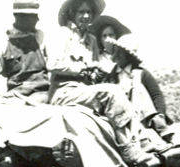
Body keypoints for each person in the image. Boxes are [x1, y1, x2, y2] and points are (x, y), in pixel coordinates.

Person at [46, 0, 146, 155]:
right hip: (63, 93)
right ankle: (128, 149)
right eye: (81, 12)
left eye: (89, 12)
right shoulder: (61, 35)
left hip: (84, 91)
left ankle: (138, 138)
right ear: (72, 13)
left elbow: (93, 71)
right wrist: (83, 68)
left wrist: (96, 72)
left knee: (119, 92)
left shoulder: (91, 40)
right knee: (111, 92)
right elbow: (52, 64)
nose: (86, 16)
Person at [109, 33, 171, 133]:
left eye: (120, 52)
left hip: (142, 115)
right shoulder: (112, 75)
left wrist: (160, 114)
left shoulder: (141, 73)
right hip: (121, 116)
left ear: (128, 55)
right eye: (116, 51)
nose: (117, 55)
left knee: (138, 88)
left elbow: (156, 95)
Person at [0, 1, 49, 103]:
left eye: (36, 15)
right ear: (19, 16)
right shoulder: (4, 40)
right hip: (15, 95)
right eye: (33, 16)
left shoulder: (41, 37)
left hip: (41, 93)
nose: (37, 19)